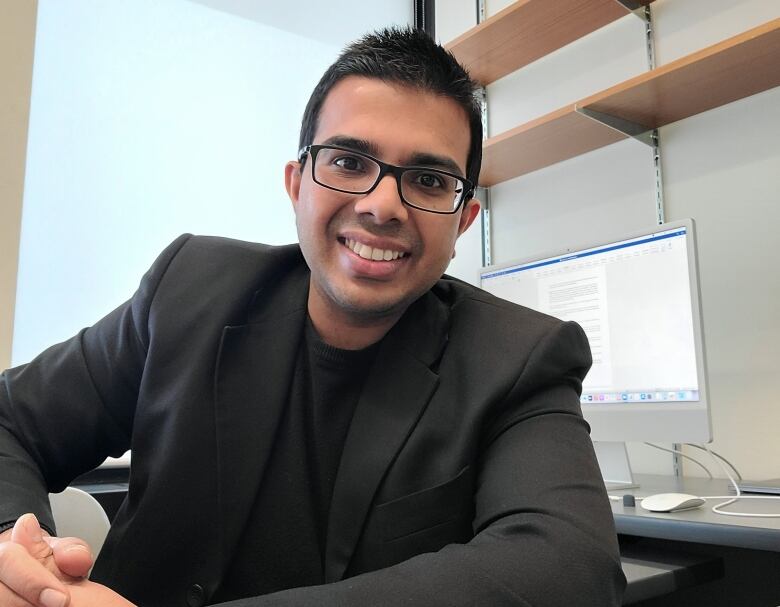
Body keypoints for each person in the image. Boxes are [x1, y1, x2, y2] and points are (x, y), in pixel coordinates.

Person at [0, 26, 625, 607]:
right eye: (349, 163)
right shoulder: (188, 290)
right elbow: (11, 420)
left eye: (430, 179)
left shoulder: (519, 358)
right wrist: (22, 553)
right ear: (298, 184)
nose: (382, 206)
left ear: (462, 221)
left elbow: (571, 566)